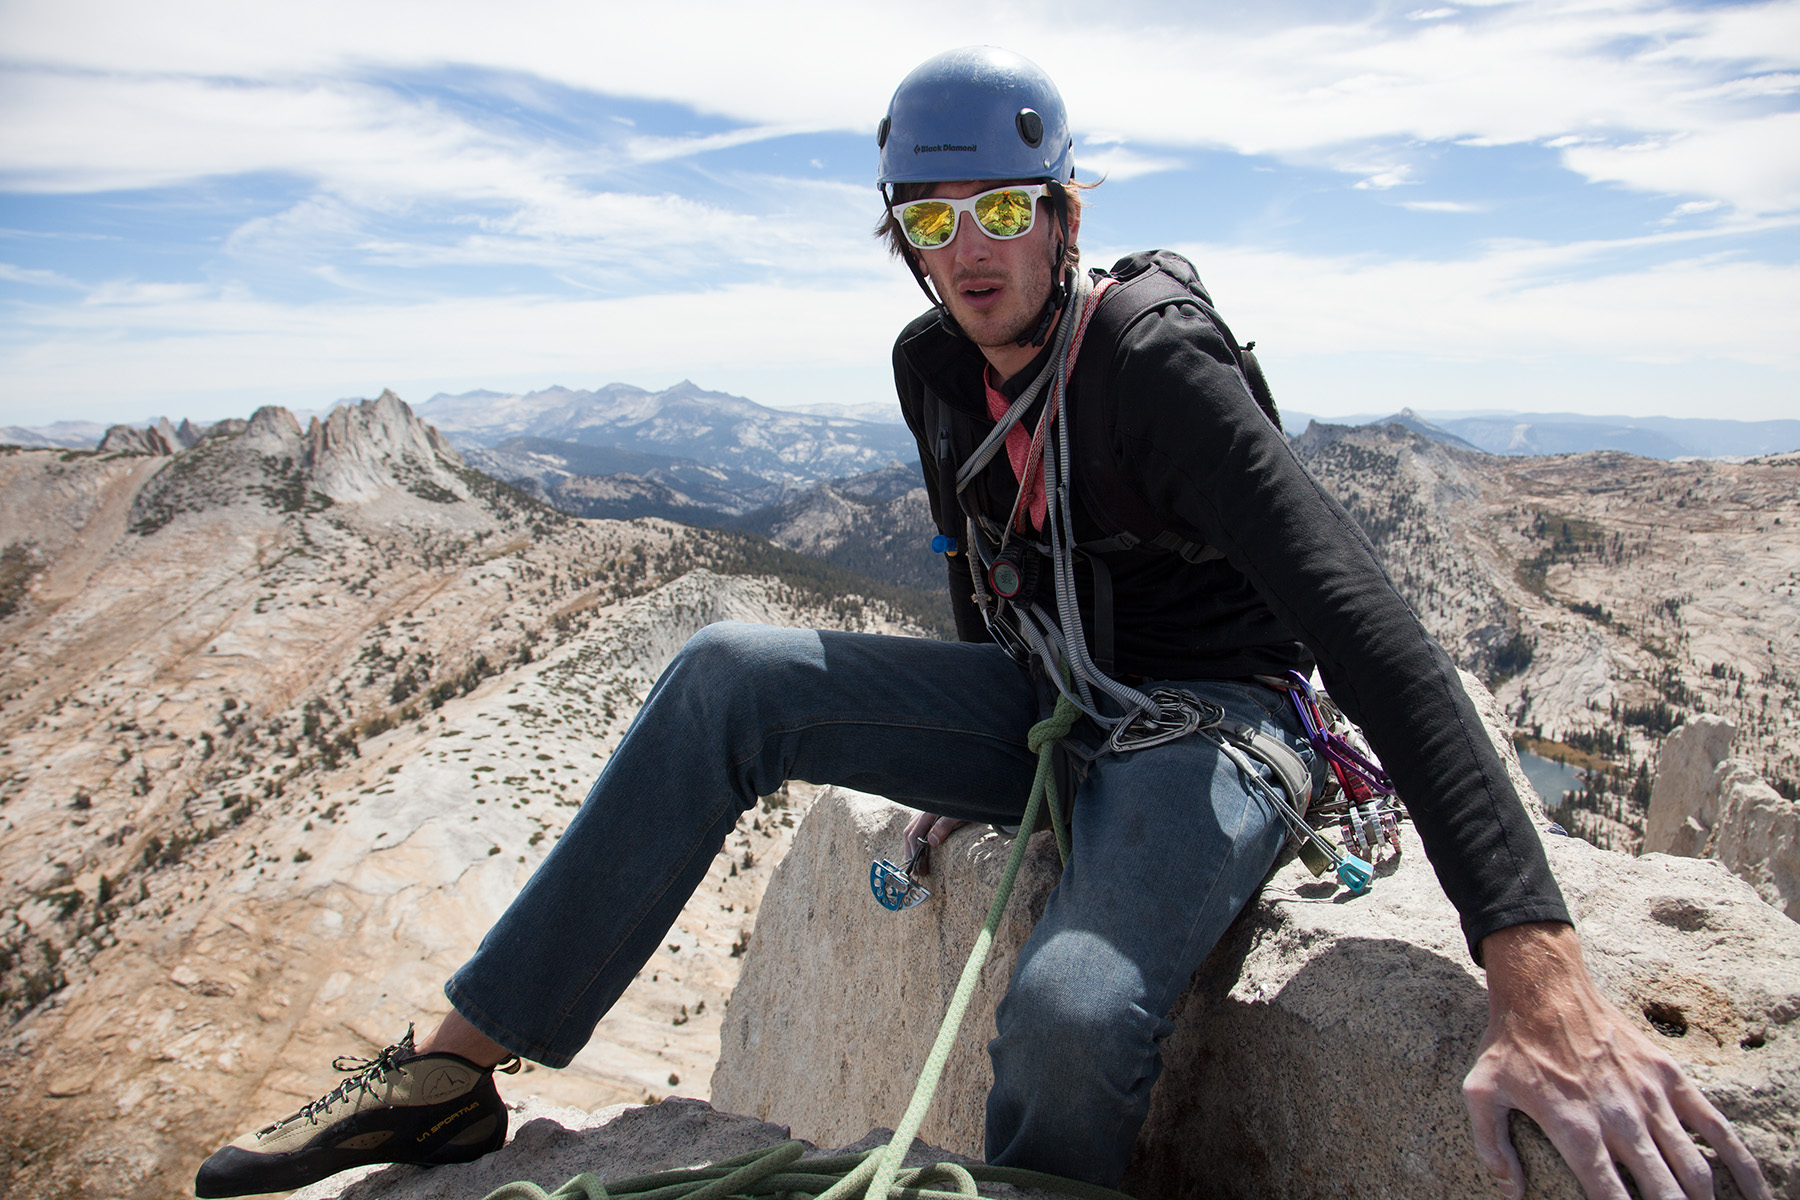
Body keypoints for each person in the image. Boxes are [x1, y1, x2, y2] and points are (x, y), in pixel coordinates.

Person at [196, 46, 1771, 1200]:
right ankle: (454, 1075)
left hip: (1208, 723)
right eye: (929, 223)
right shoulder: (932, 365)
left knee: (1075, 1011)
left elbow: (1372, 635)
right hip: (1048, 699)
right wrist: (963, 783)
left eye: (1002, 209)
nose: (970, 254)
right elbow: (984, 565)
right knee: (723, 673)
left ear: (1067, 210)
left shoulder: (1155, 366)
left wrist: (1537, 965)